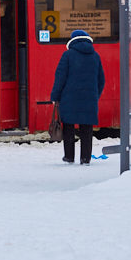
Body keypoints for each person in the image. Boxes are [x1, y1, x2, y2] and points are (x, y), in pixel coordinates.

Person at [49, 28, 106, 165]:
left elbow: (60, 78)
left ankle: (69, 157)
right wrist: (94, 95)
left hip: (69, 99)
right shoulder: (95, 56)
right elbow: (101, 80)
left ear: (72, 41)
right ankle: (85, 158)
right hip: (89, 99)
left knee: (68, 127)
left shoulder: (68, 55)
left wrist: (55, 96)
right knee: (86, 129)